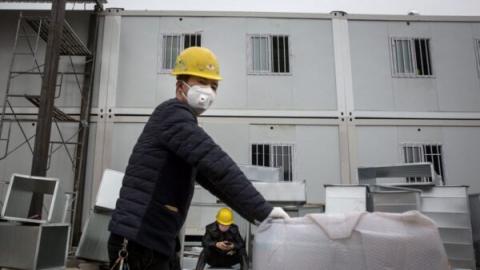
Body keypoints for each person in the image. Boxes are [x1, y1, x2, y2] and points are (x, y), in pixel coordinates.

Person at [107, 46, 289, 270]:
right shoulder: (173, 116)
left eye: (213, 86)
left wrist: (257, 217)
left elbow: (214, 179)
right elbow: (216, 164)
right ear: (180, 85)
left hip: (154, 241)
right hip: (138, 242)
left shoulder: (180, 123)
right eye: (202, 82)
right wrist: (265, 211)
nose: (208, 91)